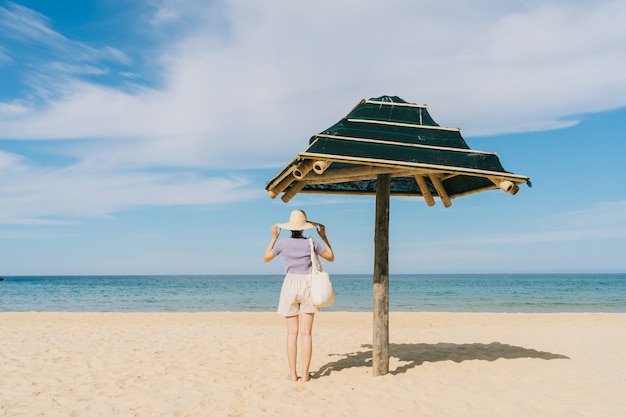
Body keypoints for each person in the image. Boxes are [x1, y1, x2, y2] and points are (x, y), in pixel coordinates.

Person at [263, 209, 334, 382]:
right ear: (304, 228)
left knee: (291, 334)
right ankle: (305, 376)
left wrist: (273, 237)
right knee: (306, 334)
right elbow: (330, 257)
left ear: (289, 228)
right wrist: (324, 236)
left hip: (289, 285)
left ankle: (293, 374)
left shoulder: (282, 243)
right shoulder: (312, 243)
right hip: (308, 285)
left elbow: (266, 258)